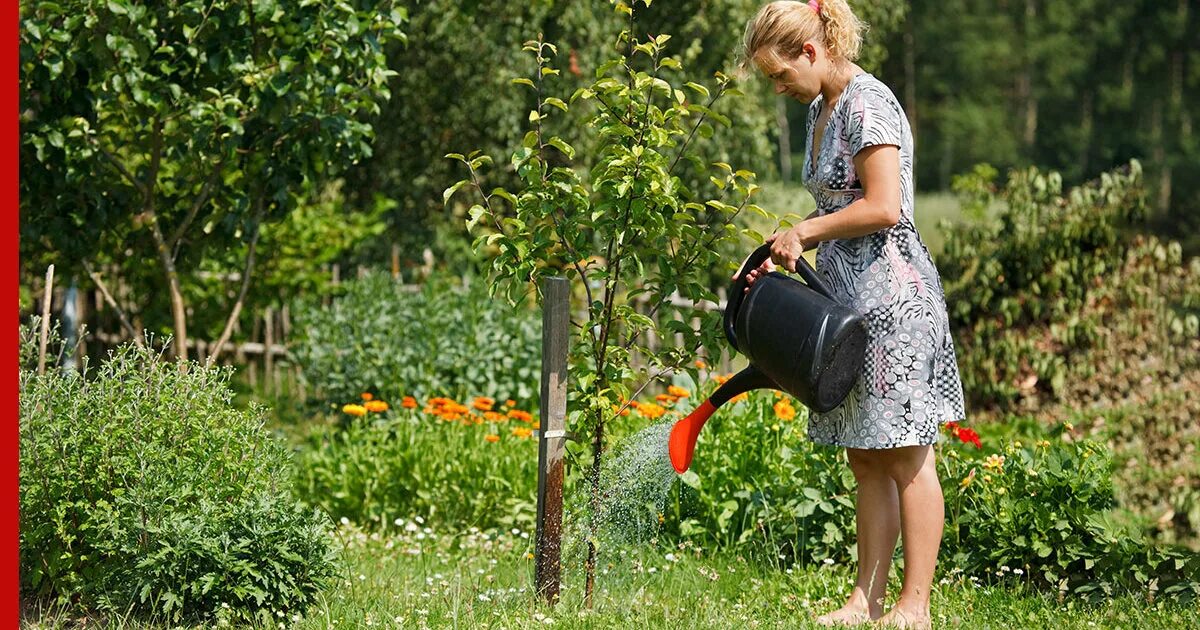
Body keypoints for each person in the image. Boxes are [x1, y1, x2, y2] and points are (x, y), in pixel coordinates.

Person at [734, 1, 966, 628]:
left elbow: (886, 206)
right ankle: (864, 600)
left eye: (780, 74)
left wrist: (806, 231)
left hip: (892, 297)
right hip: (845, 299)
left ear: (810, 52)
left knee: (906, 454)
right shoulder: (821, 110)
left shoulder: (868, 104)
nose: (779, 88)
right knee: (864, 454)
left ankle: (914, 605)